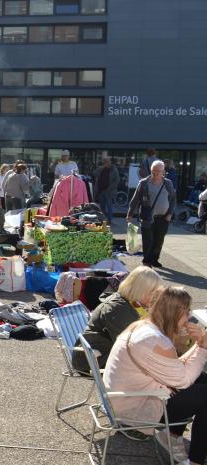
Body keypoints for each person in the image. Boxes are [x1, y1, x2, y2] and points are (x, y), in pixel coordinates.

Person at [102, 287, 207, 465]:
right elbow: (183, 380)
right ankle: (195, 460)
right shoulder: (154, 340)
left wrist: (199, 344)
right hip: (134, 408)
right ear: (174, 312)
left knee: (203, 379)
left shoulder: (144, 327)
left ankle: (172, 435)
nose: (189, 316)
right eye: (186, 310)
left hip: (125, 397)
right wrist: (203, 347)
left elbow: (175, 367)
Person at [71, 266, 164, 374]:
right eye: (153, 293)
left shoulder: (130, 302)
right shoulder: (117, 308)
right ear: (141, 290)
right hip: (94, 361)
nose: (155, 298)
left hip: (106, 355)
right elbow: (132, 346)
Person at [127, 160, 176, 269]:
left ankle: (154, 259)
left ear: (163, 171)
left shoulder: (168, 183)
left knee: (159, 241)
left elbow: (173, 199)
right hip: (147, 217)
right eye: (154, 170)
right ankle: (147, 261)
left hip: (163, 218)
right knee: (148, 240)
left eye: (159, 171)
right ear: (151, 170)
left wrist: (170, 214)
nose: (156, 173)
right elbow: (135, 200)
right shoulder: (144, 183)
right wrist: (130, 213)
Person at [94, 155, 120, 221]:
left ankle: (109, 219)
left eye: (107, 161)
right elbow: (94, 173)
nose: (106, 163)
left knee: (109, 206)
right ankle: (104, 219)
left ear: (110, 162)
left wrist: (110, 188)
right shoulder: (101, 168)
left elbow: (117, 180)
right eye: (105, 161)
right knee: (102, 206)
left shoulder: (114, 169)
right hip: (101, 190)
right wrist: (102, 167)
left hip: (109, 191)